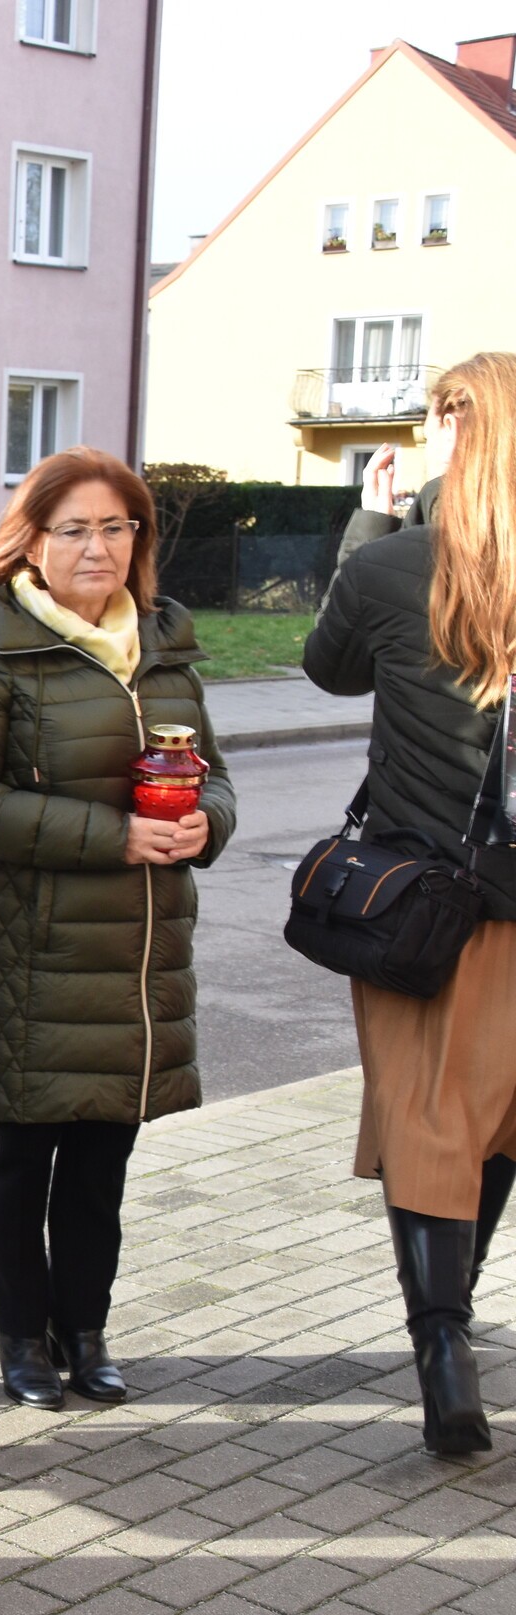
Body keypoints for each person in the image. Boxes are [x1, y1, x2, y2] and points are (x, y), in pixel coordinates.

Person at [0, 449, 237, 1411]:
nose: (98, 547)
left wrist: (206, 823)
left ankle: (85, 1329)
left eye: (116, 526)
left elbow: (216, 776)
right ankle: (22, 1337)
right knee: (22, 1158)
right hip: (31, 949)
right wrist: (115, 835)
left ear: (139, 538)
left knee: (103, 1160)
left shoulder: (165, 648)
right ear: (33, 542)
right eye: (75, 529)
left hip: (139, 955)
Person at [304, 351, 516, 1458]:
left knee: (427, 1120)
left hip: (422, 907)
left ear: (451, 428)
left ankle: (442, 1348)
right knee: (497, 1115)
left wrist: (371, 521)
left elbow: (329, 669)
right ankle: (458, 1311)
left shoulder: (394, 566)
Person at [339, 405, 454, 568]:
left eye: (427, 438)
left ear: (451, 429)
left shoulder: (428, 526)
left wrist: (373, 527)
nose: (426, 450)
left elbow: (352, 583)